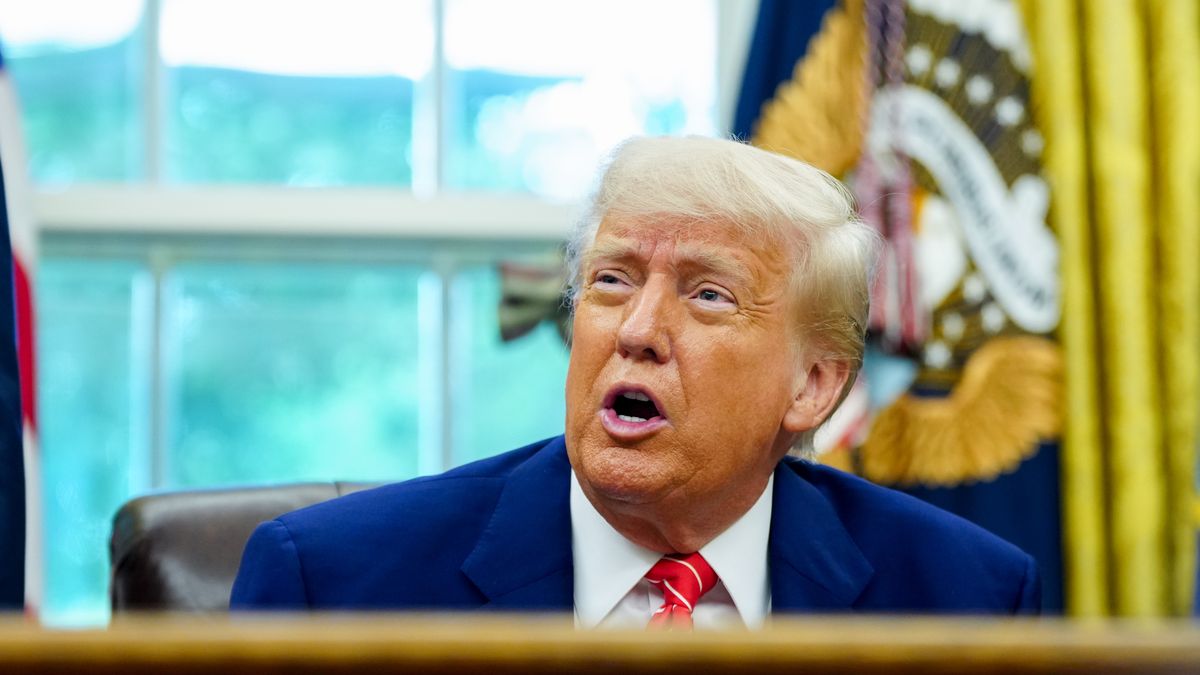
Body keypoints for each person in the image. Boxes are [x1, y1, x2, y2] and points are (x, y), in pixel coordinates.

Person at [231, 137, 1040, 627]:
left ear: (814, 384)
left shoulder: (966, 595)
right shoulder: (333, 583)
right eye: (613, 281)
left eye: (707, 294)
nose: (638, 330)